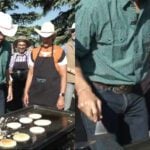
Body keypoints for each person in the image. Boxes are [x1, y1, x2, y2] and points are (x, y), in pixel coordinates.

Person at [76, 0, 150, 148]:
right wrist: (83, 90)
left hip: (137, 95)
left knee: (142, 145)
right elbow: (74, 55)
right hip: (101, 97)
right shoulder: (93, 6)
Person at [23, 21, 67, 110]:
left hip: (52, 96)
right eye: (44, 37)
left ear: (53, 37)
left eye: (48, 37)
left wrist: (61, 96)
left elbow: (63, 76)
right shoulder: (34, 52)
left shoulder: (59, 52)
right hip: (35, 95)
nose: (46, 39)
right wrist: (26, 92)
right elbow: (30, 74)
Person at [0, 11, 18, 115]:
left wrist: (9, 87)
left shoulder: (7, 46)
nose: (2, 37)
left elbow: (6, 68)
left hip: (1, 88)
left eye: (4, 34)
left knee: (1, 119)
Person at [7, 36, 31, 111]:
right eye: (19, 45)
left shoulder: (29, 55)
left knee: (25, 101)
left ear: (26, 46)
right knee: (16, 102)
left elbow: (31, 68)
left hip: (26, 82)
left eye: (23, 45)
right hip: (15, 83)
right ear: (16, 46)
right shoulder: (13, 56)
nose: (21, 47)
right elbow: (10, 69)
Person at [63, 23, 75, 111]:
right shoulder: (65, 47)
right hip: (70, 80)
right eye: (73, 31)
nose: (75, 33)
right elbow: (59, 63)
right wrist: (70, 70)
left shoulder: (87, 46)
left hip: (84, 80)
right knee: (67, 105)